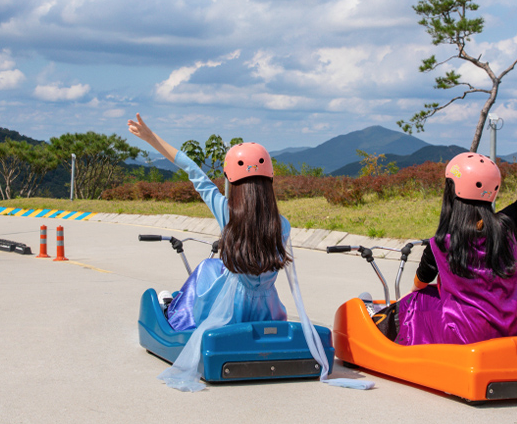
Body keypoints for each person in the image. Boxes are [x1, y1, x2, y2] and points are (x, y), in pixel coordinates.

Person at [127, 114, 372, 392]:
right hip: (267, 311)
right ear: (269, 182)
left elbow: (194, 172)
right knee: (214, 270)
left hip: (230, 310)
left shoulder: (228, 214)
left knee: (207, 270)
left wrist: (151, 138)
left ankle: (172, 308)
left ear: (232, 182)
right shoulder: (282, 225)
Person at [371, 124, 517, 346]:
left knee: (416, 300)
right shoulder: (507, 224)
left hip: (465, 336)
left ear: (452, 191)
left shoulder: (440, 244)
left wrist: (414, 293)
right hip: (512, 332)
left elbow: (420, 284)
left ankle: (391, 339)